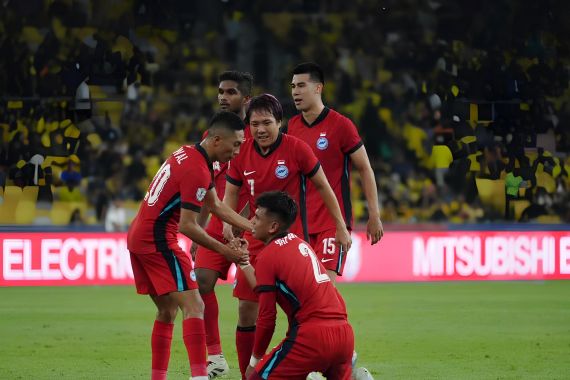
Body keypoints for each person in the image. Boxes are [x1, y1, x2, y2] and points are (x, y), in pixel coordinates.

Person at [222, 93, 351, 379]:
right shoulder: (242, 151)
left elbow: (324, 186)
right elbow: (231, 192)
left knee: (296, 309)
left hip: (289, 239)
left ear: (280, 123)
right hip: (255, 236)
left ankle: (302, 360)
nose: (260, 130)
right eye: (254, 124)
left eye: (267, 122)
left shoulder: (298, 148)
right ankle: (249, 372)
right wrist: (228, 224)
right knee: (246, 309)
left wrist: (340, 225)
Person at [127, 111, 253, 380]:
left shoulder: (189, 154)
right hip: (158, 240)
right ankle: (199, 376)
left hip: (139, 235)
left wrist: (253, 227)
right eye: (237, 144)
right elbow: (187, 225)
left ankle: (158, 377)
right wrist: (226, 250)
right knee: (195, 305)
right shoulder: (197, 169)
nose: (238, 151)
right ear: (218, 140)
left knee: (167, 310)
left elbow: (216, 205)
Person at [239, 191, 355, 379]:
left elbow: (267, 318)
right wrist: (243, 262)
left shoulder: (268, 256)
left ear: (273, 226)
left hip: (312, 339)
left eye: (257, 217)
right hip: (344, 334)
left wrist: (254, 362)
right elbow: (264, 288)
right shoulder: (302, 244)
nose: (252, 221)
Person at [286, 62, 384, 283]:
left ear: (318, 88)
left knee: (323, 288)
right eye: (293, 86)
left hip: (332, 222)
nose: (295, 92)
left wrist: (374, 215)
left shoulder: (341, 125)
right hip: (299, 224)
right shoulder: (291, 127)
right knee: (302, 292)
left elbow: (365, 168)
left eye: (301, 85)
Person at [192, 70, 254, 378]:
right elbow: (204, 188)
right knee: (201, 281)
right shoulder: (212, 135)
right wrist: (198, 230)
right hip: (218, 222)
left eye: (230, 92)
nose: (222, 97)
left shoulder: (259, 131)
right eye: (220, 91)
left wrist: (243, 222)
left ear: (246, 99)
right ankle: (215, 356)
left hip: (251, 223)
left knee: (259, 294)